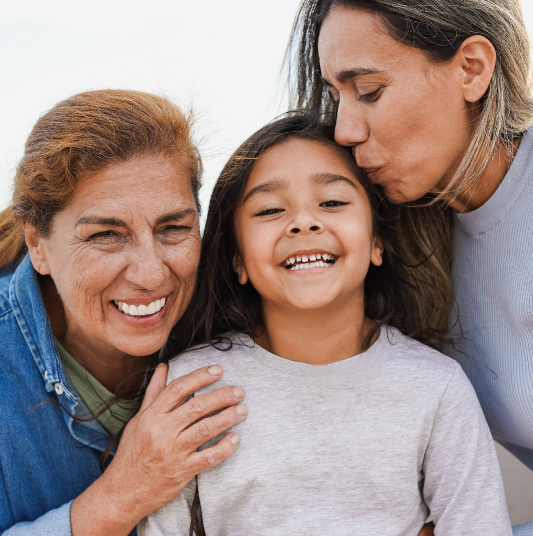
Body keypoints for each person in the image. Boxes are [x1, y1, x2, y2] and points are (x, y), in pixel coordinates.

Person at [139, 111, 511, 536]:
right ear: (237, 257)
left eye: (332, 202)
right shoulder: (191, 387)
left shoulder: (437, 387)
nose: (303, 221)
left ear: (376, 240)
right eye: (270, 209)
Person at [286, 1, 533, 534]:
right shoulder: (408, 234)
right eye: (335, 97)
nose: (345, 130)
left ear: (472, 68)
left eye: (369, 91)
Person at [0, 89, 247, 536]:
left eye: (173, 228)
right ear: (38, 245)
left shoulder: (231, 329)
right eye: (106, 235)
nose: (152, 275)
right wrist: (123, 495)